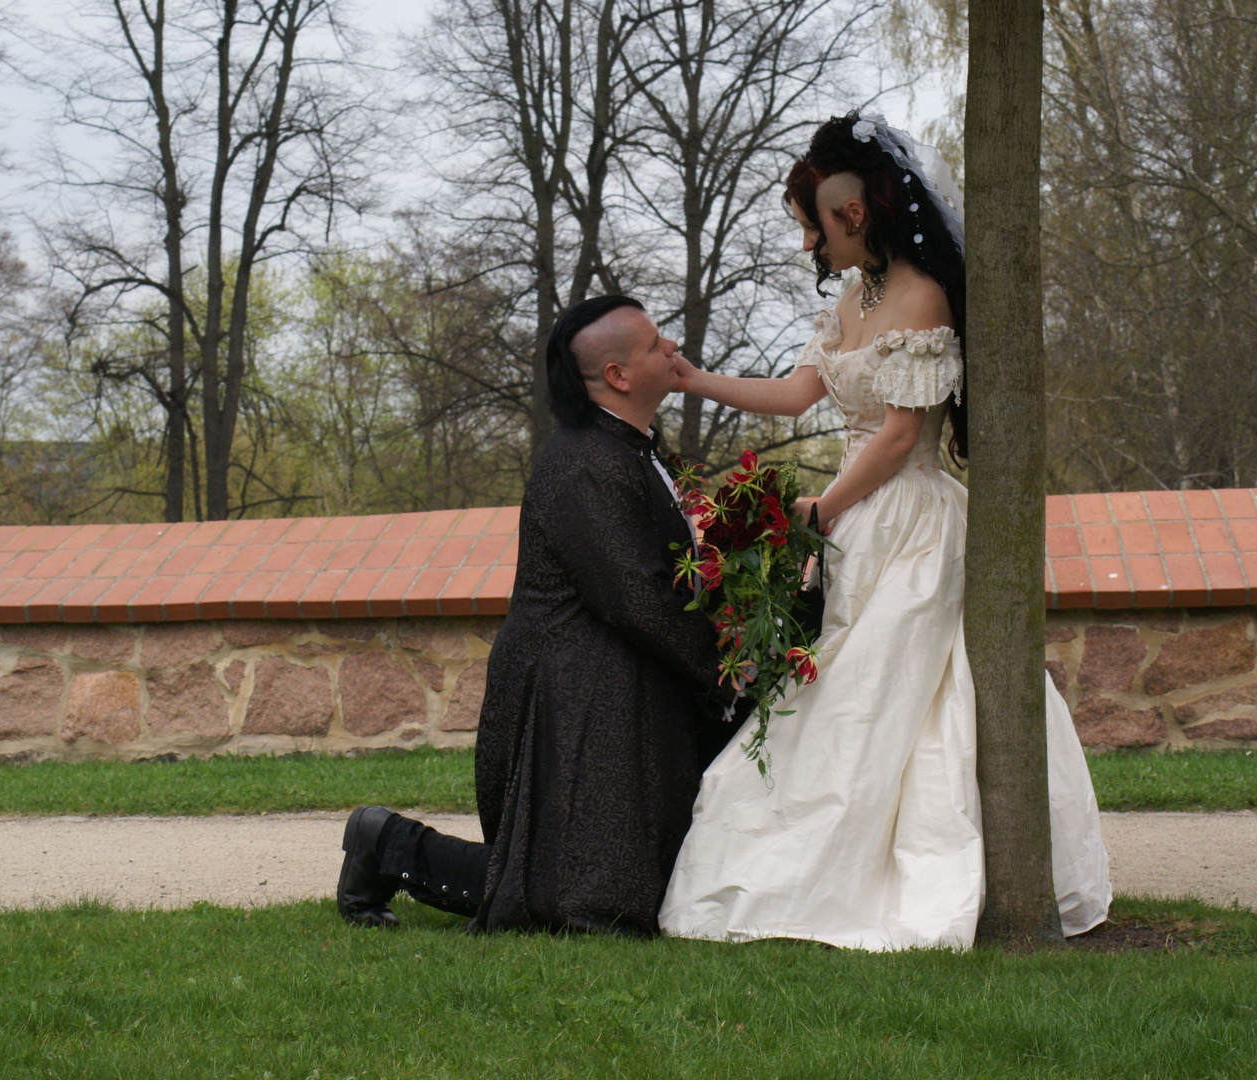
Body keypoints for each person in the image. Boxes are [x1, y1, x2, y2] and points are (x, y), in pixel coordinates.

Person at [657, 111, 1111, 951]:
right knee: (845, 684)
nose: (808, 247)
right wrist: (694, 379)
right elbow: (798, 395)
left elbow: (904, 433)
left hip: (909, 518)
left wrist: (822, 510)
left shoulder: (921, 297)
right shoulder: (851, 301)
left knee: (903, 691)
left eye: (812, 226)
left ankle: (909, 876)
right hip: (856, 515)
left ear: (852, 214)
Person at [336, 295, 737, 936]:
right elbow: (635, 597)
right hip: (572, 704)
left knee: (590, 886)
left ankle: (383, 841)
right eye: (655, 342)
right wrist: (724, 670)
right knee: (576, 902)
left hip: (610, 694)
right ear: (618, 376)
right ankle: (384, 842)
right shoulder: (586, 464)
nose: (671, 348)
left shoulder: (629, 449)